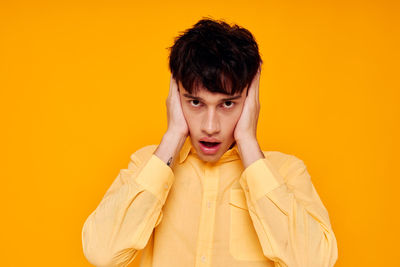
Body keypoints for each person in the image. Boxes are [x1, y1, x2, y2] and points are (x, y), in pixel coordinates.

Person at [81, 17, 338, 267]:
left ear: (250, 101)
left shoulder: (286, 172)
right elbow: (102, 255)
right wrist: (172, 136)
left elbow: (314, 263)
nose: (210, 127)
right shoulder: (147, 166)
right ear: (176, 98)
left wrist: (247, 140)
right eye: (195, 102)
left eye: (227, 104)